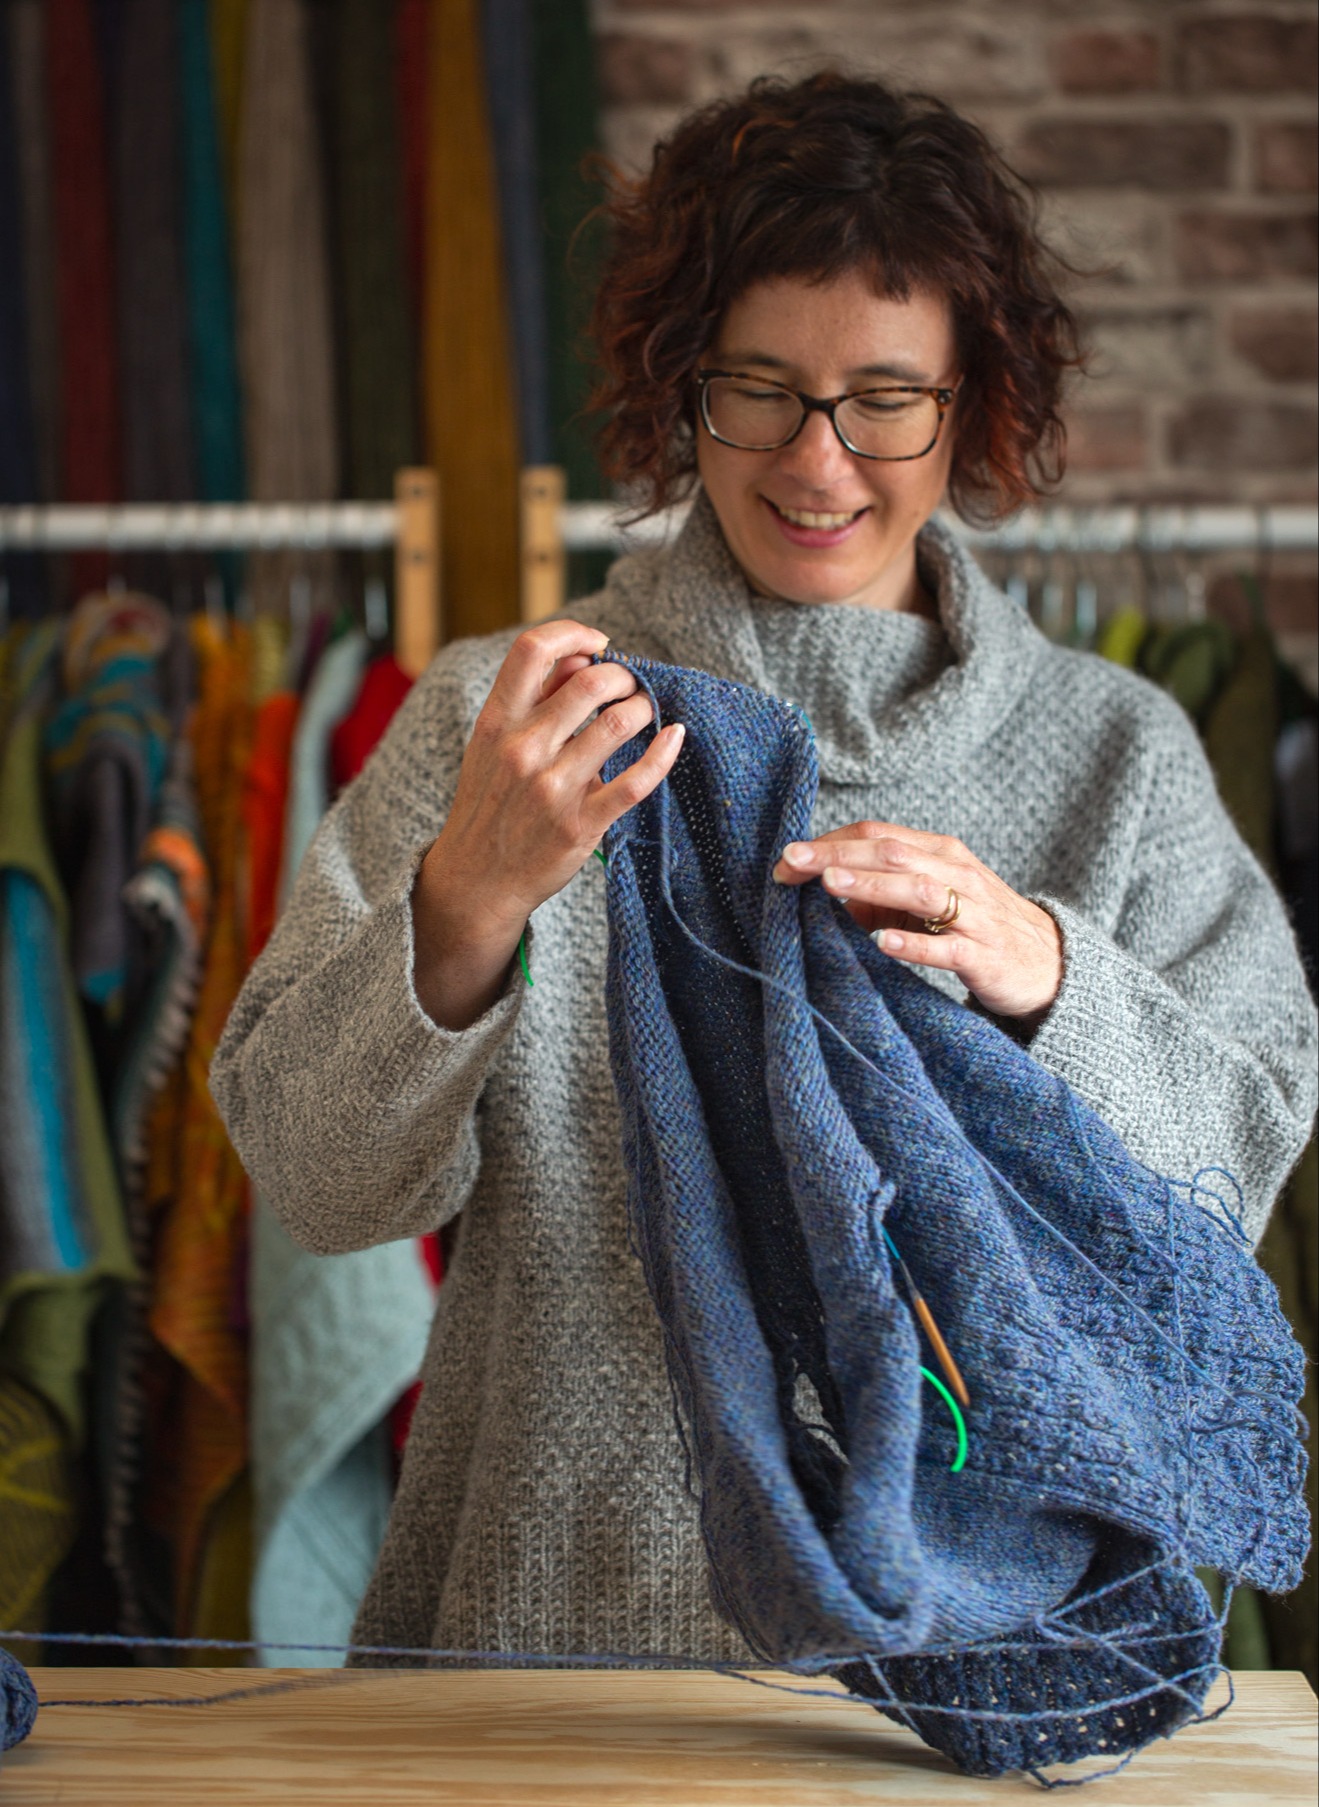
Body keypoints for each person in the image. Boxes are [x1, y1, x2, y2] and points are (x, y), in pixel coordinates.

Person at [211, 72, 1317, 1668]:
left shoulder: (1116, 757)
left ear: (972, 400)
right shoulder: (505, 715)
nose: (818, 461)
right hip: (561, 1645)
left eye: (884, 397)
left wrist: (1049, 973)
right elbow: (314, 1182)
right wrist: (468, 900)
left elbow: (1244, 1158)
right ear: (684, 386)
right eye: (762, 389)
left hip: (994, 1681)